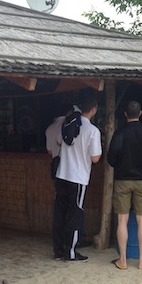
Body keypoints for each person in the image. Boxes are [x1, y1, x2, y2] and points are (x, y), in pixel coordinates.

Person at [107, 101, 142, 270]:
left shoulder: (119, 134)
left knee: (122, 220)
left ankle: (122, 260)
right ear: (140, 113)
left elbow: (111, 159)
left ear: (125, 114)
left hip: (122, 180)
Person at [53, 96, 102, 261]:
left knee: (60, 213)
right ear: (94, 109)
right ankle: (70, 252)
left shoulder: (66, 124)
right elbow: (95, 158)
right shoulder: (92, 131)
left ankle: (58, 250)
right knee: (75, 214)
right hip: (78, 177)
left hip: (62, 174)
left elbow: (58, 142)